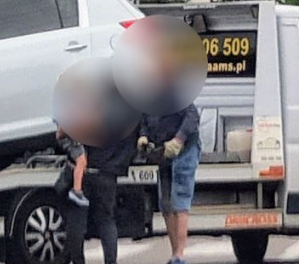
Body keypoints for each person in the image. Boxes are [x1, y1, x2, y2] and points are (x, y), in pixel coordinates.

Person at [59, 128, 137, 264]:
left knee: (76, 222)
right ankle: (111, 261)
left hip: (82, 172)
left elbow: (64, 132)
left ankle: (78, 261)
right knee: (106, 221)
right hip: (107, 172)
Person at [140, 103, 201, 264]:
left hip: (185, 148)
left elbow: (192, 116)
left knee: (180, 198)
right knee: (166, 204)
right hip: (164, 150)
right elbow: (145, 120)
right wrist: (143, 135)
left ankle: (180, 255)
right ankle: (175, 253)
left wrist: (178, 140)